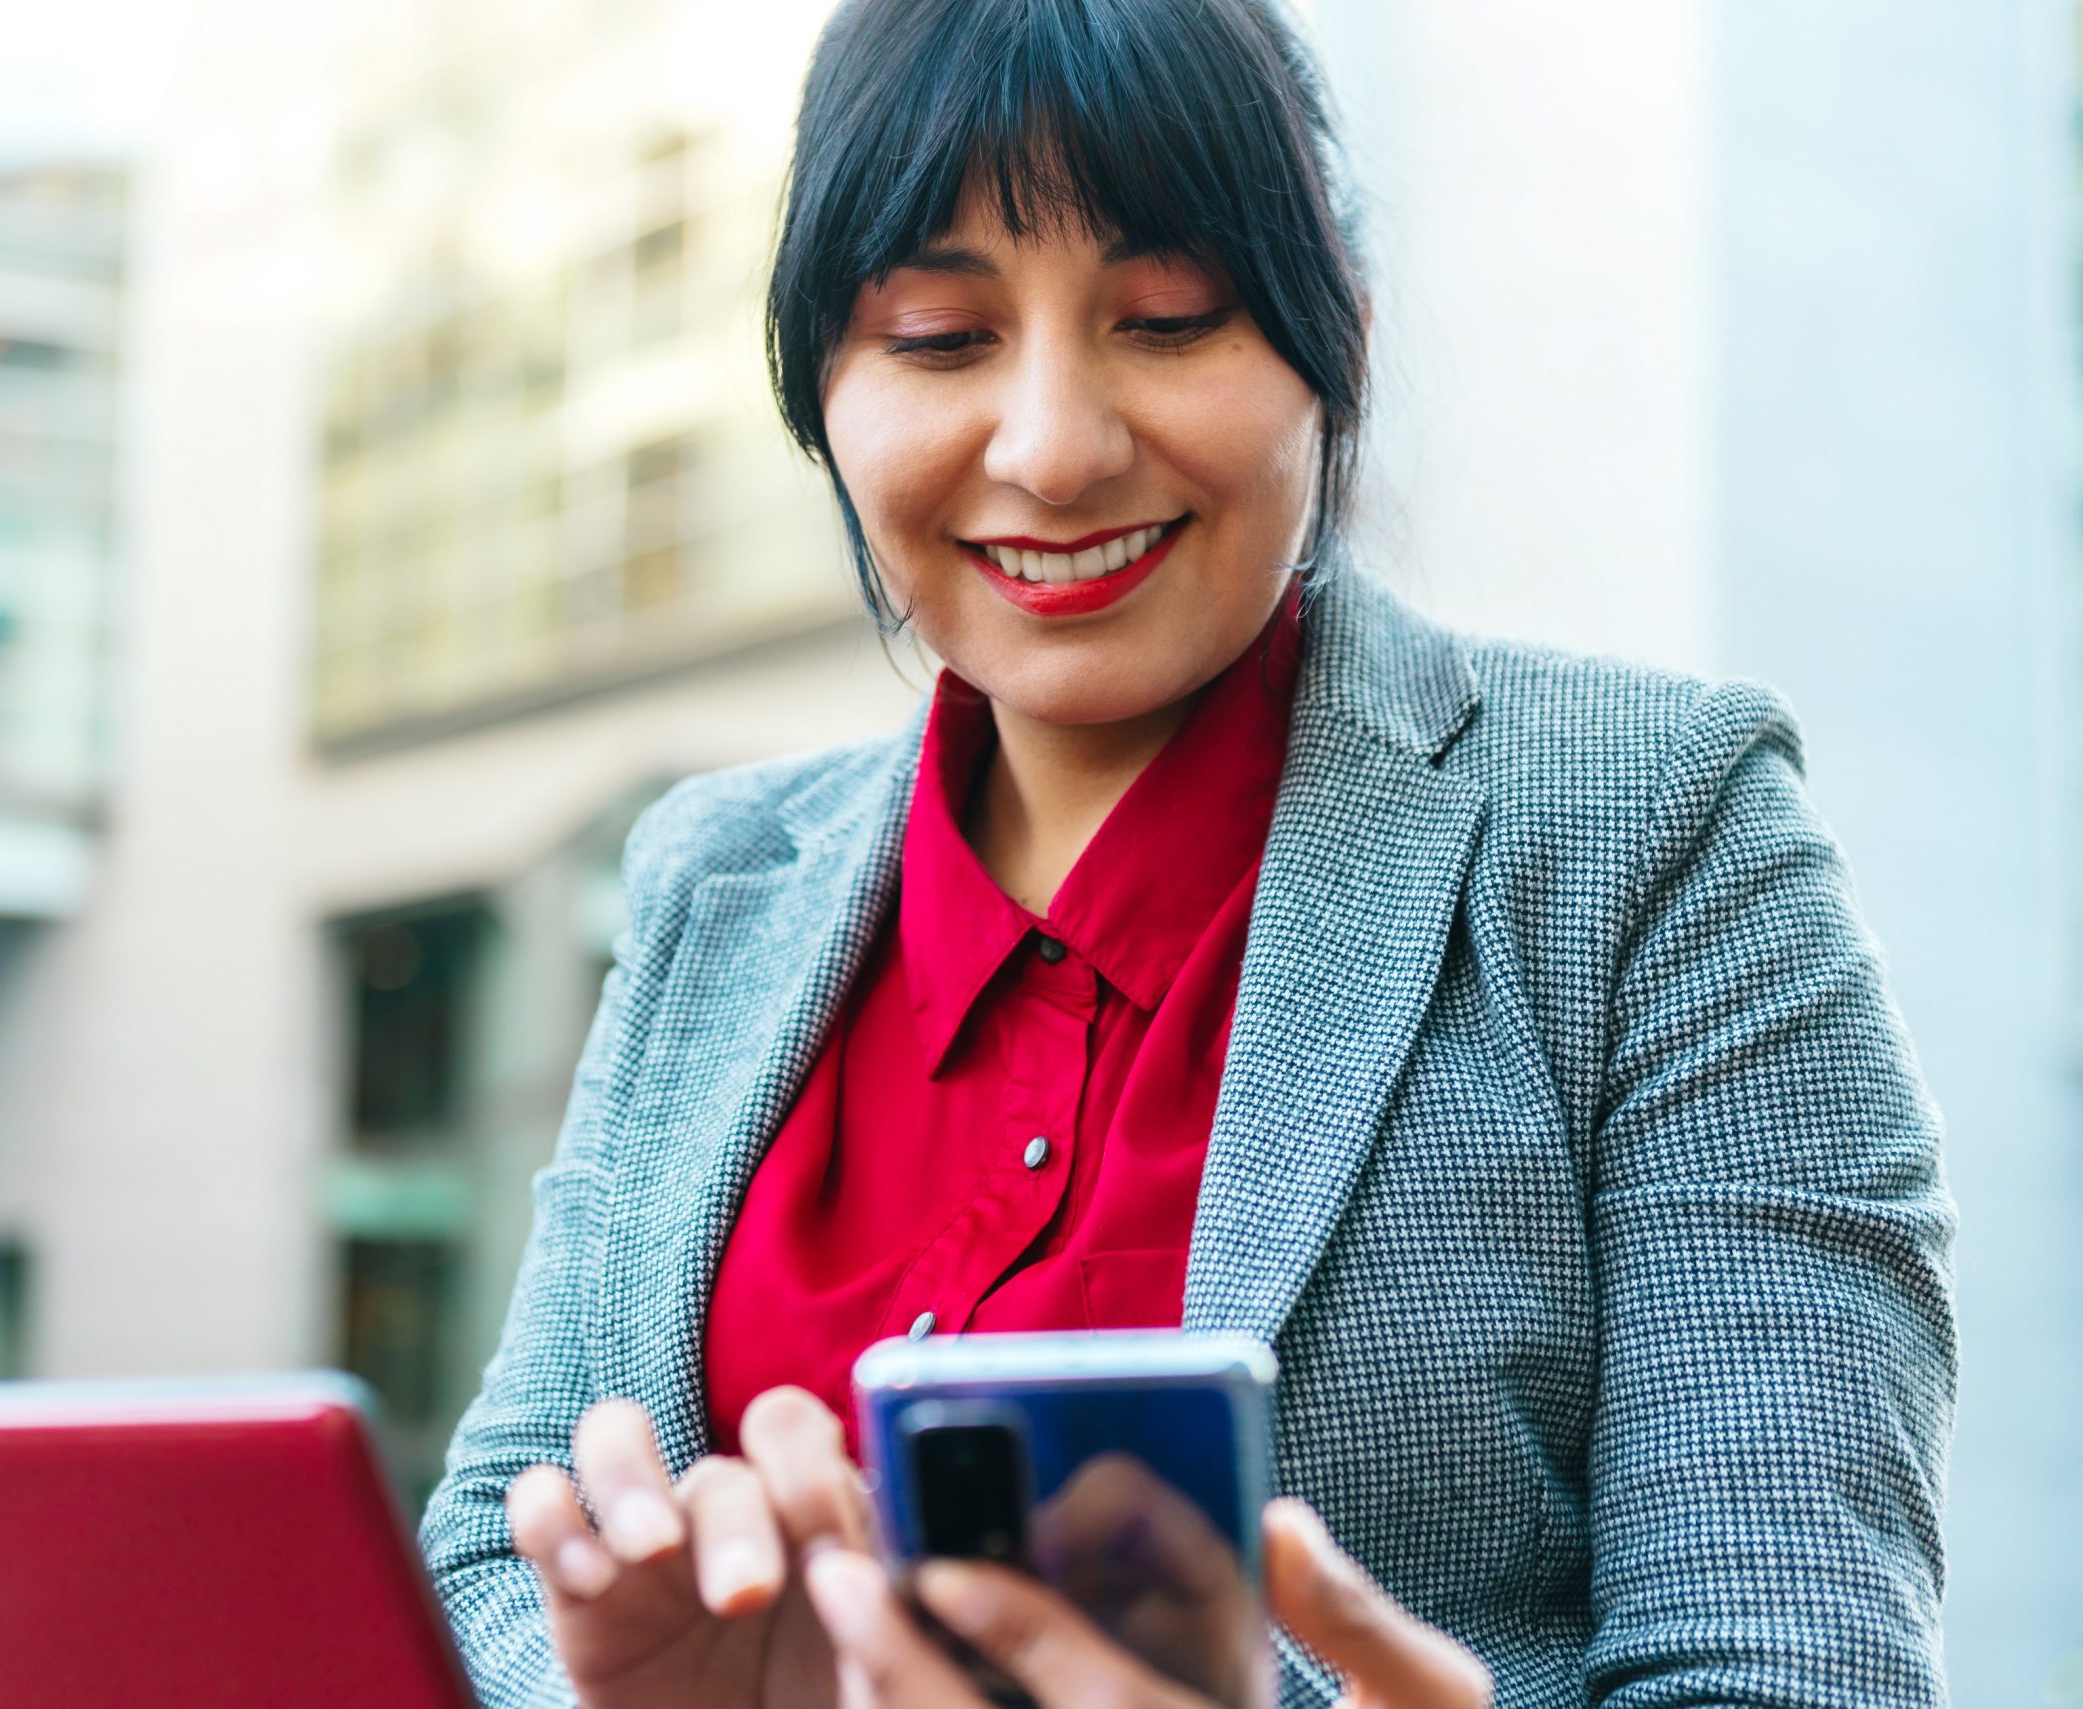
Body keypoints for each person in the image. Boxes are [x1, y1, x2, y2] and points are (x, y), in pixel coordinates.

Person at [419, 0, 1956, 1704]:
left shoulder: (1658, 829)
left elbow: (1789, 1664)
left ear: (1336, 344)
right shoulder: (714, 874)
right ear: (820, 389)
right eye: (939, 336)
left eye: (1167, 318)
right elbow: (501, 1529)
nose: (1056, 449)